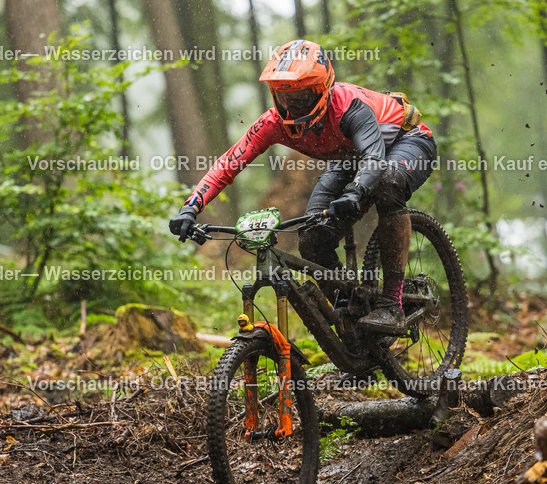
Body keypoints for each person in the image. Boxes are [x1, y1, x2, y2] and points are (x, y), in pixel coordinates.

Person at [169, 39, 437, 332]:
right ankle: (352, 319)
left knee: (387, 184)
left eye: (300, 97)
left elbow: (373, 160)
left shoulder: (350, 108)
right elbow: (228, 164)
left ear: (322, 90)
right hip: (351, 160)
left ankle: (391, 306)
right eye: (283, 97)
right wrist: (190, 207)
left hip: (407, 142)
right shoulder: (273, 123)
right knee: (311, 237)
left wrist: (356, 192)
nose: (291, 106)